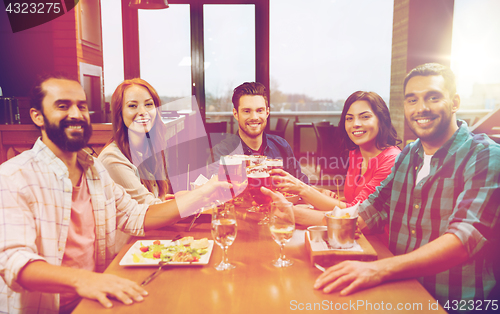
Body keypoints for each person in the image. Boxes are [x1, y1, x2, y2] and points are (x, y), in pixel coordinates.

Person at [265, 63, 500, 308]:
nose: (421, 108)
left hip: (455, 303)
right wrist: (290, 214)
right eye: (412, 100)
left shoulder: (485, 156)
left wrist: (378, 270)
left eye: (433, 97)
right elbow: (365, 214)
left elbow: (463, 240)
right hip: (401, 288)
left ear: (455, 102)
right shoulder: (409, 155)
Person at [0, 74, 228, 313]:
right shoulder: (13, 177)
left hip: (98, 297)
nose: (76, 114)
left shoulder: (94, 169)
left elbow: (137, 215)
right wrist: (84, 280)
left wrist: (207, 191)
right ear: (38, 116)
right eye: (63, 106)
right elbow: (13, 260)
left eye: (82, 106)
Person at [272, 91, 400, 224]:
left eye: (365, 117)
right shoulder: (356, 153)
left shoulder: (391, 160)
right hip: (353, 234)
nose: (355, 124)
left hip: (378, 241)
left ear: (382, 119)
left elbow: (356, 213)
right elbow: (354, 202)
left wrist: (301, 189)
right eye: (349, 118)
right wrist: (328, 197)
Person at [208, 82, 308, 183]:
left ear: (267, 113)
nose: (254, 117)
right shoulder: (221, 152)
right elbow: (217, 194)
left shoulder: (282, 147)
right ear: (236, 114)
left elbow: (301, 185)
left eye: (260, 110)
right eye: (247, 111)